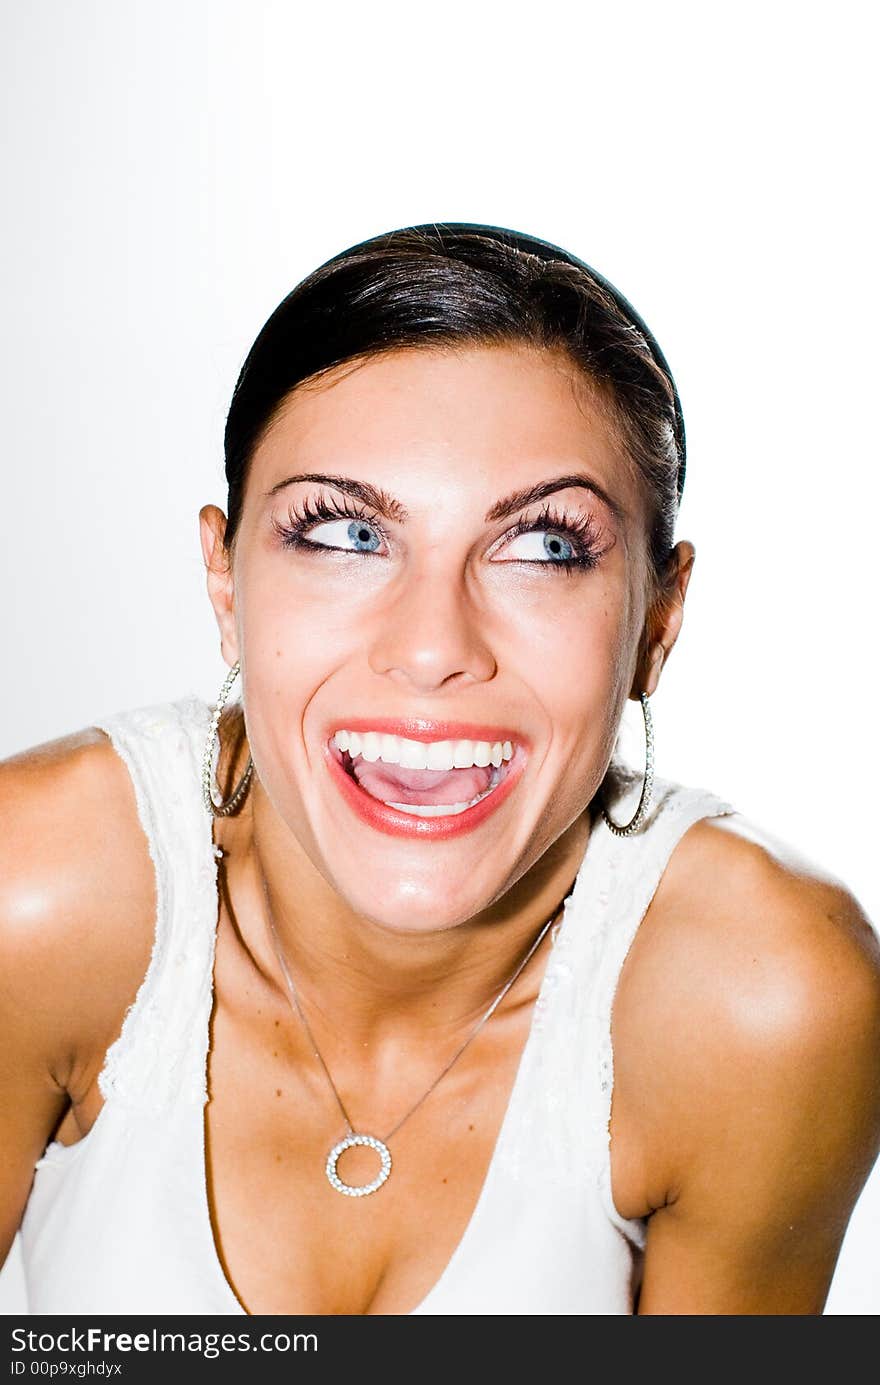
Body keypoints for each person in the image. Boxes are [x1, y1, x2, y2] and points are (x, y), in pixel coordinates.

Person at [2, 223, 878, 1317]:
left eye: (545, 546)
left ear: (659, 620)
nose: (429, 647)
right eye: (342, 533)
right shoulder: (35, 894)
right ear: (225, 582)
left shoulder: (760, 997)